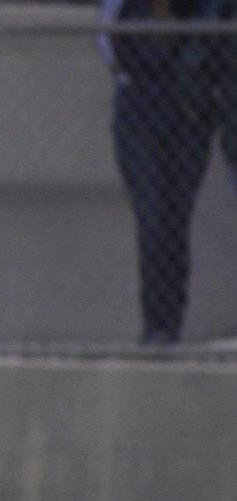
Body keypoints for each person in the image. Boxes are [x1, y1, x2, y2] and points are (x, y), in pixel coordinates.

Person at [101, 0, 237, 344]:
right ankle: (157, 328)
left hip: (190, 109)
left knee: (174, 221)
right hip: (142, 102)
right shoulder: (129, 12)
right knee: (153, 217)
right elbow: (112, 38)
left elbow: (216, 50)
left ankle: (166, 326)